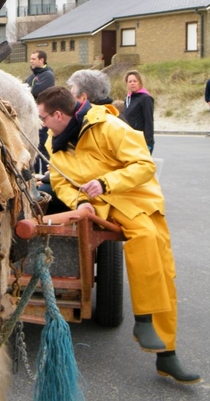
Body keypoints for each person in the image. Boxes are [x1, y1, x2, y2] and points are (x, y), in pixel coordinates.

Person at [35, 85, 200, 384]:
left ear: (58, 115)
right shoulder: (52, 140)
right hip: (98, 206)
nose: (42, 124)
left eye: (44, 118)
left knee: (158, 261)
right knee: (149, 247)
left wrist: (105, 182)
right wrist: (81, 202)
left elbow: (143, 165)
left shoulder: (108, 126)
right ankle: (151, 331)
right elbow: (61, 182)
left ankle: (160, 342)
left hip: (132, 199)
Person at [25, 50, 55, 174]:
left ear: (41, 60)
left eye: (33, 58)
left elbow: (36, 91)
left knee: (44, 147)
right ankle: (36, 175)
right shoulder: (31, 76)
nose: (31, 61)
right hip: (32, 117)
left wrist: (27, 91)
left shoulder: (48, 75)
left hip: (44, 118)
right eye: (31, 58)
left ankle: (48, 175)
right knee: (35, 146)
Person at [123, 69, 154, 154]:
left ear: (140, 82)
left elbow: (149, 122)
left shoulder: (145, 98)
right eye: (130, 81)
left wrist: (149, 143)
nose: (132, 83)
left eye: (135, 81)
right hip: (128, 139)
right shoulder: (127, 98)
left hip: (140, 140)